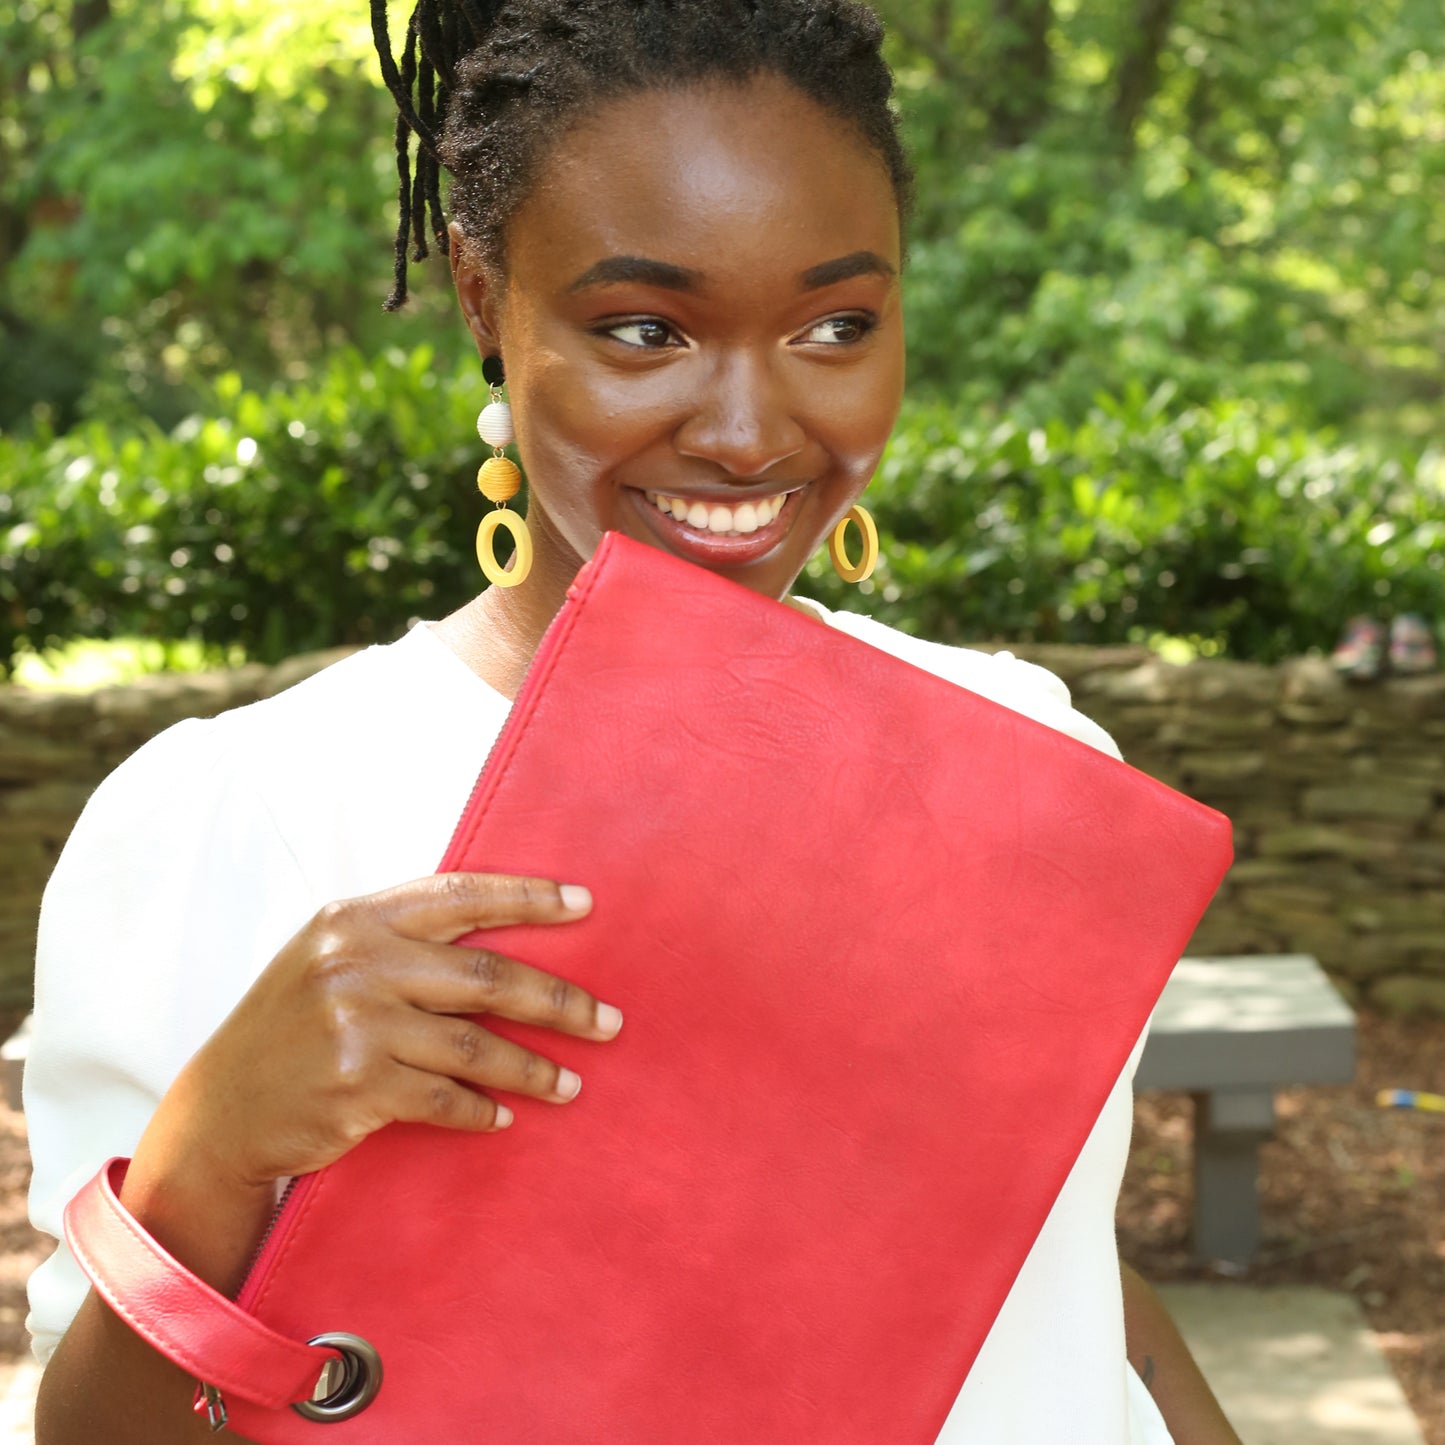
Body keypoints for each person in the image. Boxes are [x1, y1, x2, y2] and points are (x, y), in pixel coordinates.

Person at [25, 2, 1242, 1440]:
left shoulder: (1024, 752)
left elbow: (1053, 1284)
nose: (746, 427)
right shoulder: (237, 813)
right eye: (644, 328)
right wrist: (212, 1155)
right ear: (485, 299)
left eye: (834, 323)